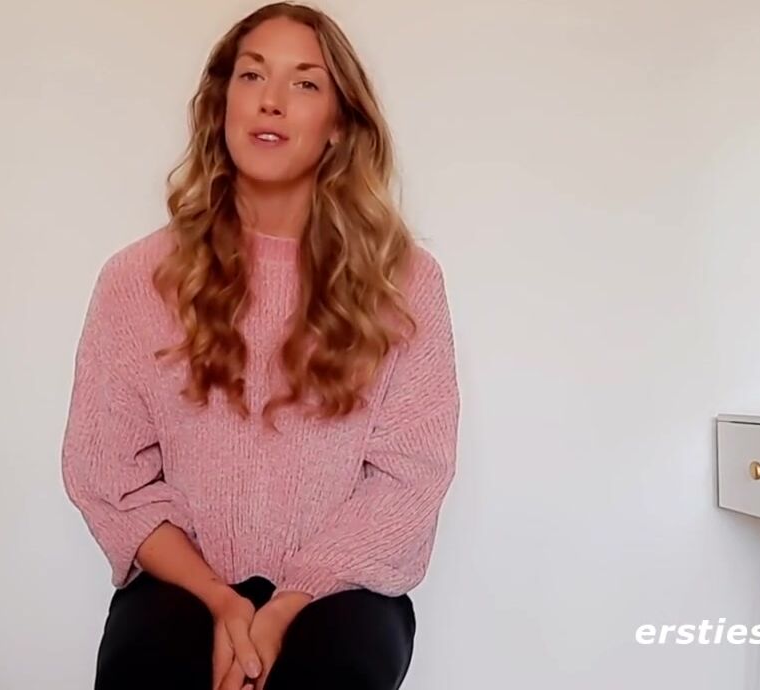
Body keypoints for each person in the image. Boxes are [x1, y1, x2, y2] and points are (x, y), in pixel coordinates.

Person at [60, 3, 460, 689]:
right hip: (182, 585)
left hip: (340, 594)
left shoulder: (405, 283)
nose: (270, 100)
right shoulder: (135, 280)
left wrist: (287, 604)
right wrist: (220, 600)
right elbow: (108, 474)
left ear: (339, 124)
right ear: (222, 103)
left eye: (304, 83)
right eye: (251, 76)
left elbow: (408, 479)